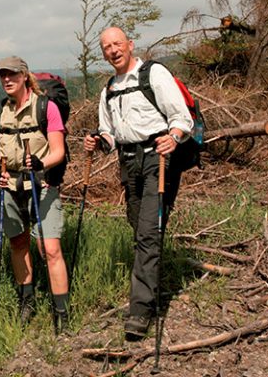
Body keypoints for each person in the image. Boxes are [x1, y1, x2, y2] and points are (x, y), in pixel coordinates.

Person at [83, 27, 193, 340]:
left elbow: (181, 118)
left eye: (117, 44)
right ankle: (153, 285)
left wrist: (173, 138)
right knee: (139, 227)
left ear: (130, 45)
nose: (113, 50)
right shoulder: (109, 89)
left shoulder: (154, 74)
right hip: (128, 162)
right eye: (106, 47)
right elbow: (110, 135)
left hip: (157, 159)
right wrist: (98, 142)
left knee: (148, 232)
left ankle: (140, 311)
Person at [0, 55, 70, 334]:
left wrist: (44, 164)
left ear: (25, 77)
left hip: (42, 185)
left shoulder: (46, 108)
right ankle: (26, 302)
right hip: (10, 187)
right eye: (3, 75)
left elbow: (58, 150)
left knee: (50, 248)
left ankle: (62, 313)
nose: (7, 79)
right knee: (18, 244)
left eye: (13, 75)